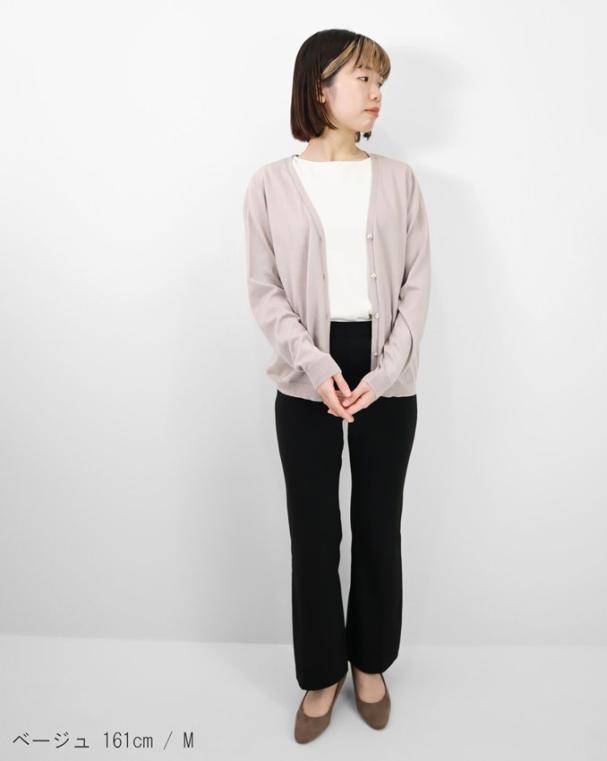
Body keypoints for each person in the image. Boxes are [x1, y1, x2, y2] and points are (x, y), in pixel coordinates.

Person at [242, 28, 432, 743]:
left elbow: (416, 285)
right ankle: (322, 670)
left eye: (381, 82)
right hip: (305, 374)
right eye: (364, 79)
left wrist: (385, 372)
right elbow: (264, 290)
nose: (377, 94)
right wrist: (317, 366)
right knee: (315, 532)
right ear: (320, 89)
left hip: (388, 367)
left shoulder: (400, 180)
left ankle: (370, 661)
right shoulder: (270, 184)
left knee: (380, 523)